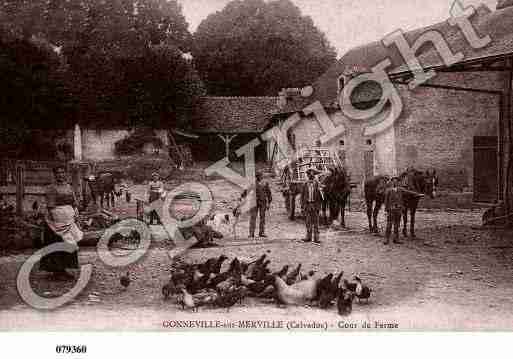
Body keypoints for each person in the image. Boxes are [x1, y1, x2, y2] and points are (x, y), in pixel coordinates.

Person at [40, 165, 82, 279]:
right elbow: (50, 206)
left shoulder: (69, 187)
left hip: (69, 217)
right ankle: (57, 271)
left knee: (69, 243)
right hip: (56, 219)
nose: (60, 175)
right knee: (57, 242)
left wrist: (75, 213)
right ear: (54, 175)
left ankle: (65, 269)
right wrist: (57, 222)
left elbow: (74, 202)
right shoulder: (51, 188)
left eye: (62, 172)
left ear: (65, 174)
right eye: (58, 173)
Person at [301, 168, 323, 244]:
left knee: (316, 222)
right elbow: (302, 196)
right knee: (308, 222)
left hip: (315, 205)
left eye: (312, 174)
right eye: (309, 174)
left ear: (314, 176)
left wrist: (321, 191)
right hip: (307, 205)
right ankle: (308, 237)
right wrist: (303, 206)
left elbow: (321, 197)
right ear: (307, 175)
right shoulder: (304, 184)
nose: (311, 175)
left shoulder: (317, 184)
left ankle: (316, 238)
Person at [249, 172, 272, 239]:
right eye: (261, 176)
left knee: (262, 218)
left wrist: (269, 203)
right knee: (253, 217)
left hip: (263, 202)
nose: (262, 177)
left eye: (262, 176)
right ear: (257, 177)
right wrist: (242, 197)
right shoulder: (253, 183)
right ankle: (251, 233)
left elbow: (269, 193)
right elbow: (247, 191)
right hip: (254, 203)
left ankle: (261, 233)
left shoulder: (265, 183)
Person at [384, 176, 404, 245]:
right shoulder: (388, 190)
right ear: (392, 182)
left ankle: (396, 239)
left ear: (398, 182)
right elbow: (386, 201)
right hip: (391, 210)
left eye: (396, 181)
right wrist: (386, 210)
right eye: (394, 181)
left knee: (397, 225)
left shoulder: (400, 190)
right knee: (389, 224)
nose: (395, 182)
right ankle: (387, 239)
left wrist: (418, 194)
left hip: (398, 209)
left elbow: (408, 193)